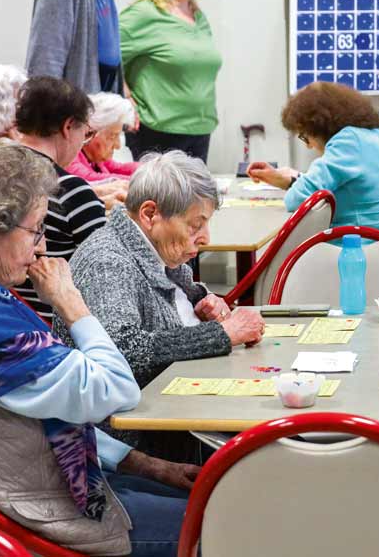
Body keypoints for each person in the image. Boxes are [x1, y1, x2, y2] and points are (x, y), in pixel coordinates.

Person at [0, 139, 201, 556]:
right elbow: (118, 390)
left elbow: (32, 417)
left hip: (36, 487)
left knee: (211, 499)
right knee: (228, 522)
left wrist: (145, 464)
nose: (42, 246)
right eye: (36, 229)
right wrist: (71, 302)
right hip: (40, 518)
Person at [54, 151, 265, 452]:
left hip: (171, 411)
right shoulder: (108, 262)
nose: (205, 238)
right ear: (150, 214)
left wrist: (203, 302)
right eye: (195, 225)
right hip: (141, 439)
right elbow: (121, 349)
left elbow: (172, 294)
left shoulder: (150, 246)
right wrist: (221, 335)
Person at [246, 82, 379, 233]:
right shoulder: (376, 136)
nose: (308, 145)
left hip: (362, 246)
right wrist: (290, 180)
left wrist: (296, 184)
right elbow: (343, 185)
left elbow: (294, 200)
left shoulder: (348, 142)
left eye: (304, 136)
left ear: (320, 126)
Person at [12, 76, 108, 320]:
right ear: (68, 127)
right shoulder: (70, 191)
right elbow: (108, 274)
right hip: (55, 326)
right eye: (85, 134)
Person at [120, 0, 221, 162]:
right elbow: (107, 56)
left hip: (200, 128)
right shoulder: (144, 14)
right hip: (157, 129)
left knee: (195, 195)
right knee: (163, 195)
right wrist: (126, 98)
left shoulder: (198, 17)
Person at [67, 91, 139, 184]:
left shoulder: (94, 157)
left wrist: (149, 169)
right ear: (90, 131)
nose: (118, 145)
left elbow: (118, 168)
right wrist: (140, 181)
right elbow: (89, 178)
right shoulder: (70, 155)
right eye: (112, 136)